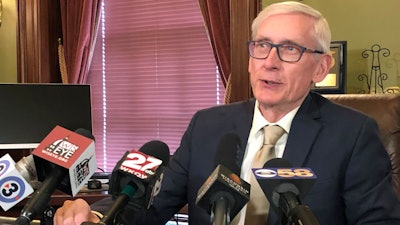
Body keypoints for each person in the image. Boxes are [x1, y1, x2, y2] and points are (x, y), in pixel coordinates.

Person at [54, 1, 400, 225]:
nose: (270, 62)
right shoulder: (208, 125)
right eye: (262, 46)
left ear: (320, 66)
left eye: (290, 49)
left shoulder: (353, 134)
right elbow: (151, 203)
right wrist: (97, 215)